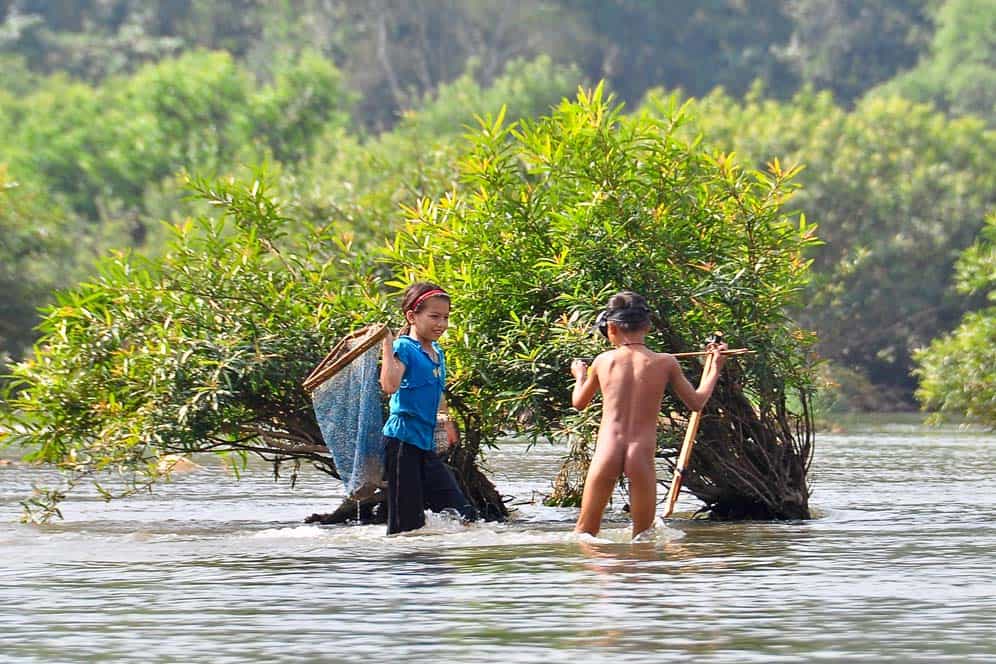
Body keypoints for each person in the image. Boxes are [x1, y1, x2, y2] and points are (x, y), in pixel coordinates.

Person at [570, 290, 727, 539]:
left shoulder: (603, 361)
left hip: (607, 450)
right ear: (648, 326)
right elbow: (696, 403)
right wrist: (715, 368)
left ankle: (601, 577)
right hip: (640, 453)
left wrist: (580, 375)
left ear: (610, 328)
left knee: (585, 532)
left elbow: (579, 402)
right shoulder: (665, 362)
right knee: (643, 537)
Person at [380, 281, 478, 534]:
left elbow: (437, 390)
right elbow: (390, 386)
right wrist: (387, 345)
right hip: (402, 442)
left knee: (463, 513)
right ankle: (410, 569)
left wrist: (446, 422)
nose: (441, 324)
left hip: (424, 443)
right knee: (406, 525)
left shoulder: (436, 351)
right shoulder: (404, 347)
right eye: (434, 317)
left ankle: (432, 562)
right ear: (412, 316)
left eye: (445, 317)